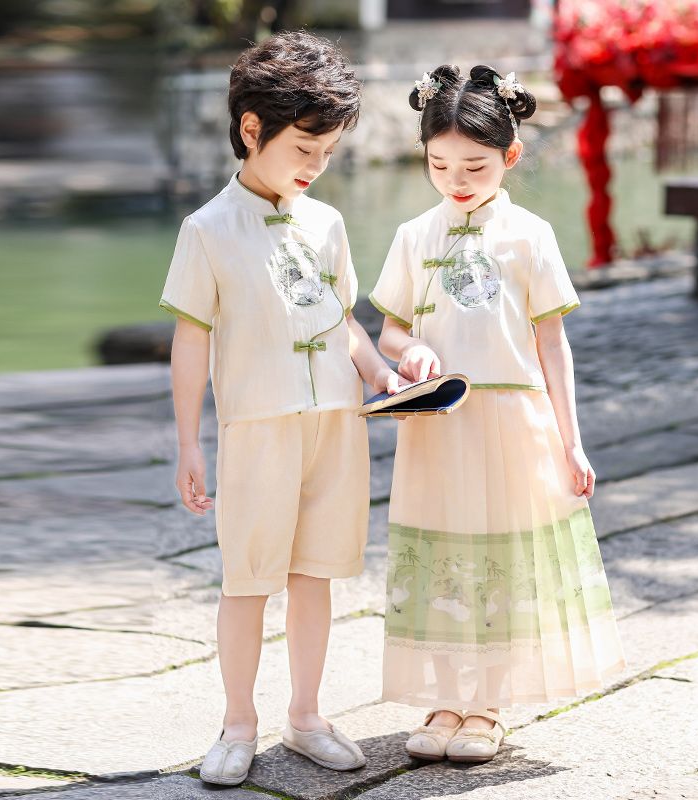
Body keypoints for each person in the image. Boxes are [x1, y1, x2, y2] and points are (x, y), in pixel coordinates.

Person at [159, 31, 399, 785]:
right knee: (247, 580)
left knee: (317, 575)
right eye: (304, 148)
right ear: (252, 128)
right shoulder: (206, 230)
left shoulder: (325, 223)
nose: (314, 167)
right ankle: (237, 724)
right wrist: (190, 445)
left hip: (335, 424)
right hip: (256, 429)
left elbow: (343, 318)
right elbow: (190, 342)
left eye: (327, 153)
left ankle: (306, 716)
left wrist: (382, 374)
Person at [369, 64, 626, 764]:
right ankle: (445, 699)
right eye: (439, 163)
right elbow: (387, 329)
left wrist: (572, 443)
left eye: (475, 165)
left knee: (504, 559)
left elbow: (552, 342)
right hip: (439, 425)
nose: (456, 178)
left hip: (514, 425)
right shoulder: (414, 234)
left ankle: (486, 708)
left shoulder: (531, 236)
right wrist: (411, 347)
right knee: (444, 552)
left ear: (510, 157)